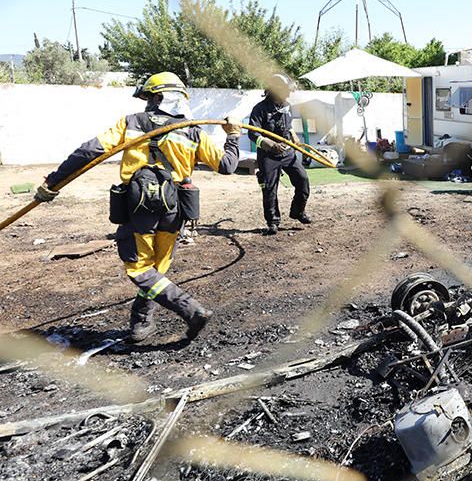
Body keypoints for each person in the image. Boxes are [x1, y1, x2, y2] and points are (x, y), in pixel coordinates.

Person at [35, 72, 241, 343]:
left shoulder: (130, 123)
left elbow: (89, 152)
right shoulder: (193, 131)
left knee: (139, 269)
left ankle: (190, 310)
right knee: (158, 267)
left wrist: (53, 182)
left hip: (139, 211)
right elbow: (227, 166)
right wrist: (233, 135)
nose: (146, 104)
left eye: (148, 98)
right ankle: (141, 322)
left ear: (158, 97)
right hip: (173, 211)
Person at [248, 74, 311, 235]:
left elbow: (287, 126)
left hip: (287, 152)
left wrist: (294, 136)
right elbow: (253, 134)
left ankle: (298, 211)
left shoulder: (287, 106)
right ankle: (273, 221)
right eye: (286, 91)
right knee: (270, 188)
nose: (289, 94)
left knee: (302, 179)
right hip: (268, 156)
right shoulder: (259, 109)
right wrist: (270, 145)